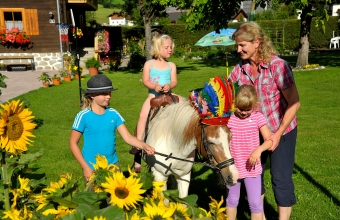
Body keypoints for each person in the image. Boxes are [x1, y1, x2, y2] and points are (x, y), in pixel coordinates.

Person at [229, 22, 300, 220]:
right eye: (237, 45)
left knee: (280, 178)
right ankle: (258, 216)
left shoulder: (278, 66)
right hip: (253, 132)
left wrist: (277, 134)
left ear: (257, 43)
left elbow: (294, 103)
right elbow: (226, 94)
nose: (238, 49)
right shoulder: (240, 69)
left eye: (242, 45)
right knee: (253, 176)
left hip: (281, 130)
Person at [69, 74, 155, 183]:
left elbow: (128, 137)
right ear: (92, 95)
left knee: (115, 198)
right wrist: (86, 167)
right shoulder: (83, 116)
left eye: (109, 93)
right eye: (104, 94)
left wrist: (144, 145)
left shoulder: (113, 114)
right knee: (96, 199)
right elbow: (72, 143)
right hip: (92, 166)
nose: (108, 96)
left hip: (113, 165)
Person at [130, 34, 184, 172]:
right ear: (157, 48)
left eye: (171, 47)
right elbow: (146, 81)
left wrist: (169, 85)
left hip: (167, 96)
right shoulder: (149, 64)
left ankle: (185, 139)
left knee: (185, 106)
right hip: (153, 97)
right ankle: (139, 143)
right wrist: (154, 86)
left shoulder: (171, 65)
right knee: (143, 116)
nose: (170, 49)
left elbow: (174, 81)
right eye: (166, 47)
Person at [226, 84, 273, 220]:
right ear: (235, 103)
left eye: (248, 109)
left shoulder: (257, 118)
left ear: (255, 105)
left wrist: (259, 150)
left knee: (255, 204)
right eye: (240, 108)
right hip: (232, 168)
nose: (244, 112)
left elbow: (269, 140)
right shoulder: (229, 119)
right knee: (232, 200)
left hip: (251, 168)